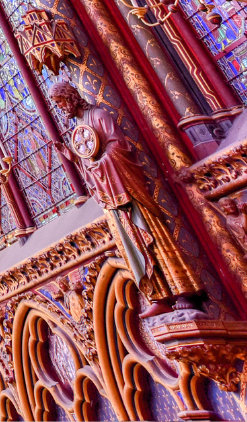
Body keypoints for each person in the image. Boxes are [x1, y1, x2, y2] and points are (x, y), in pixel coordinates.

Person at [50, 80, 203, 317]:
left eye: (60, 101)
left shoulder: (99, 116)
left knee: (148, 233)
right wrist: (75, 158)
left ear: (70, 97)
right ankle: (158, 294)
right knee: (132, 244)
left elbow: (118, 147)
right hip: (109, 195)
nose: (59, 107)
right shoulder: (78, 127)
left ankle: (181, 289)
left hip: (126, 190)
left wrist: (99, 165)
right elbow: (90, 159)